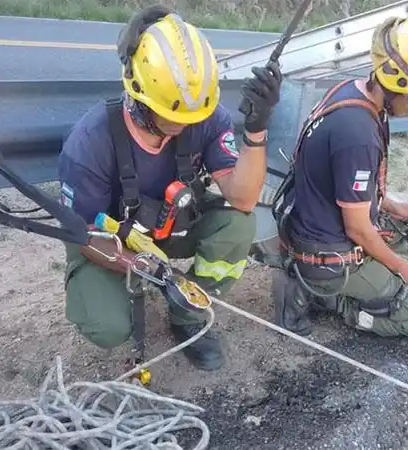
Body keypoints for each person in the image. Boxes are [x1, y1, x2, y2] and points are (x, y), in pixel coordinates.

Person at [56, 6, 281, 371]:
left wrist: (256, 129)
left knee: (238, 224)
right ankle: (108, 294)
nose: (183, 125)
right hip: (107, 241)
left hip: (169, 227)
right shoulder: (90, 142)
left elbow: (243, 197)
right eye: (171, 115)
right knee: (108, 328)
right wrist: (143, 267)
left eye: (191, 118)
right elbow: (82, 234)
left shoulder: (205, 118)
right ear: (139, 92)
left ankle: (188, 315)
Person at [270, 15, 408, 337]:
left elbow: (347, 184)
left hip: (312, 220)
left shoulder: (354, 92)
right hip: (324, 250)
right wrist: (398, 267)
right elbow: (357, 228)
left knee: (404, 228)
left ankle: (317, 281)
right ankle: (321, 296)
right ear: (398, 85)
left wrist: (392, 205)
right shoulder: (357, 133)